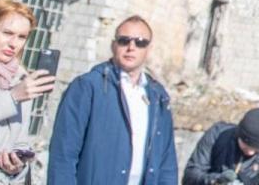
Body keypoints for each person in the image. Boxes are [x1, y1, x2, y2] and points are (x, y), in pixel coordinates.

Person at [47, 16, 177, 185]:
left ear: (149, 49)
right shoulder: (87, 87)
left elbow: (167, 163)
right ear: (113, 45)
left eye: (140, 42)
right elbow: (63, 154)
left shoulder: (158, 96)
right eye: (124, 41)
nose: (131, 47)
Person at [0, 0, 54, 182]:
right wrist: (12, 97)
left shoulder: (20, 78)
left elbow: (20, 140)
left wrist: (17, 167)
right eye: (7, 33)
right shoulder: (19, 89)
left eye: (22, 37)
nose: (14, 43)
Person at [181, 107, 259, 185]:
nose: (250, 152)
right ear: (238, 134)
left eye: (256, 150)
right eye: (246, 145)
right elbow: (190, 175)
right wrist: (215, 180)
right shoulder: (217, 135)